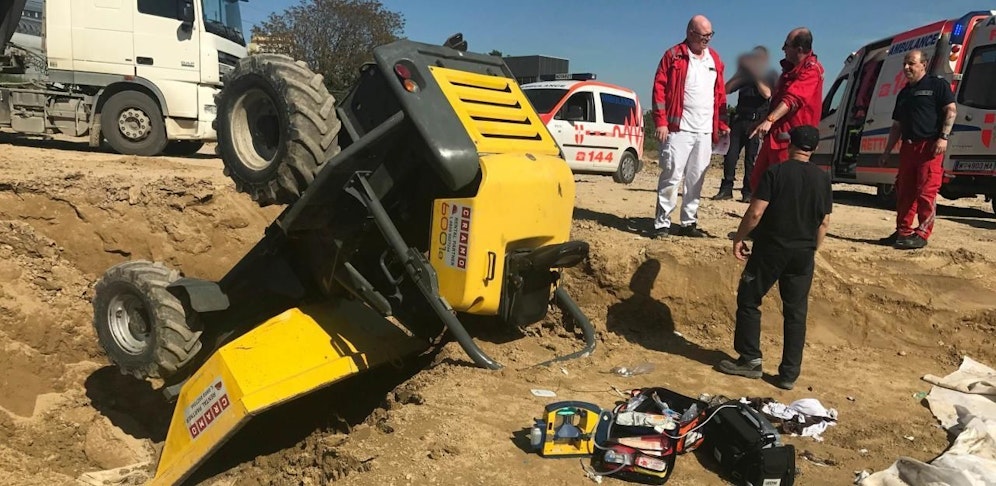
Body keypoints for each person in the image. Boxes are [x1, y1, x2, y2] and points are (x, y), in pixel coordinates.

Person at [716, 125, 832, 391]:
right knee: (795, 312)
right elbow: (824, 222)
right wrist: (813, 249)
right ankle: (789, 373)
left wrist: (739, 237)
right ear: (813, 149)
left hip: (771, 249)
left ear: (790, 145)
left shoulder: (776, 172)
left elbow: (756, 212)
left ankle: (750, 359)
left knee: (749, 299)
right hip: (803, 253)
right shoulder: (823, 178)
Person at [650, 14, 730, 238]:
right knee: (671, 175)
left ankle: (688, 222)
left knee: (697, 177)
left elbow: (720, 94)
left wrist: (722, 123)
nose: (708, 40)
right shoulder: (673, 56)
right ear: (690, 33)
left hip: (704, 130)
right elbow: (659, 89)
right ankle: (662, 223)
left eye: (710, 35)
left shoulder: (714, 59)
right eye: (704, 36)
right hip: (679, 128)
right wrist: (661, 122)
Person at [877, 49, 956, 250]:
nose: (906, 67)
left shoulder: (937, 85)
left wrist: (943, 137)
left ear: (924, 64)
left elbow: (951, 111)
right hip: (908, 148)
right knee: (904, 191)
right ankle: (903, 232)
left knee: (926, 191)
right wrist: (887, 151)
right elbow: (896, 126)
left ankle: (922, 233)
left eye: (911, 63)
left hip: (929, 147)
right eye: (905, 63)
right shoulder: (904, 93)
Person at [747, 27, 824, 193]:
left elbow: (792, 99)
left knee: (782, 187)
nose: (783, 49)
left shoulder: (811, 71)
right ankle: (762, 216)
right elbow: (778, 100)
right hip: (774, 136)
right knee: (758, 182)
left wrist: (769, 120)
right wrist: (763, 121)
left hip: (789, 143)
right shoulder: (790, 70)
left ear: (799, 49)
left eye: (786, 45)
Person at [714, 46, 778, 202]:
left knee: (751, 159)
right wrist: (740, 75)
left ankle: (748, 191)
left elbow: (767, 93)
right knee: (730, 155)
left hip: (756, 122)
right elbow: (726, 89)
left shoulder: (769, 75)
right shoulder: (745, 76)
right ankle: (726, 188)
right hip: (739, 120)